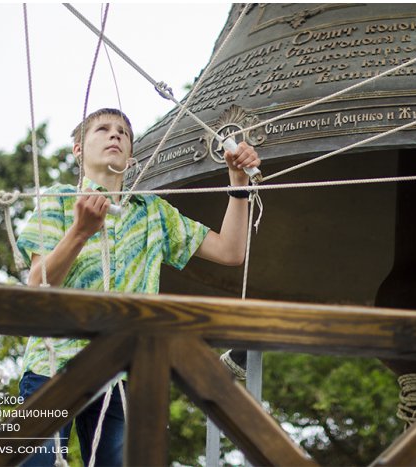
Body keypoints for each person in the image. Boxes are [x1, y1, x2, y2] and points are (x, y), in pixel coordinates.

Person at [16, 108, 260, 466]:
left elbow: (230, 250)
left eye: (123, 133)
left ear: (131, 158)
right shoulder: (59, 200)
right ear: (78, 149)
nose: (115, 135)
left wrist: (238, 182)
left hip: (128, 371)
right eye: (103, 129)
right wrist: (80, 231)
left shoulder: (152, 212)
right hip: (53, 364)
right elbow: (38, 284)